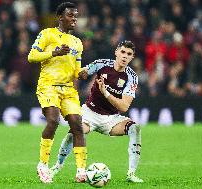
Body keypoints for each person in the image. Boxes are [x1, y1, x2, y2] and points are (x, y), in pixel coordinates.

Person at [50, 40, 144, 183]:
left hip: (111, 119)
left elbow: (124, 107)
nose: (125, 56)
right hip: (89, 113)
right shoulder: (102, 64)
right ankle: (57, 166)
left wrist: (105, 93)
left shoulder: (132, 77)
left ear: (132, 57)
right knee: (75, 132)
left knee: (135, 128)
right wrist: (74, 66)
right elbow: (82, 73)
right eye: (123, 52)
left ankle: (131, 173)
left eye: (129, 54)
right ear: (116, 52)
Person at [27, 2, 87, 184]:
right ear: (60, 17)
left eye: (76, 15)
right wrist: (54, 52)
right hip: (49, 85)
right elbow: (31, 56)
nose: (74, 19)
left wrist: (82, 73)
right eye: (70, 15)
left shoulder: (78, 42)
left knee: (77, 125)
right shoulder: (47, 34)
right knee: (53, 120)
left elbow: (76, 69)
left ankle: (81, 171)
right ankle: (43, 165)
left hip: (68, 89)